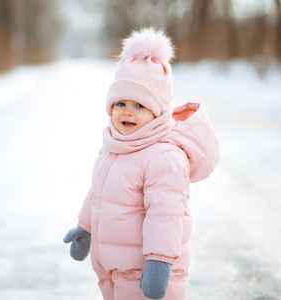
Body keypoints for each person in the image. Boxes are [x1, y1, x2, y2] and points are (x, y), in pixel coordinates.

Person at [64, 28, 220, 300]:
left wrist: (159, 263)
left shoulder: (164, 157)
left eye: (139, 105)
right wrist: (86, 227)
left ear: (158, 112)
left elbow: (166, 215)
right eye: (120, 103)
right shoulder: (115, 146)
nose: (127, 111)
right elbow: (99, 193)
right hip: (114, 267)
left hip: (144, 273)